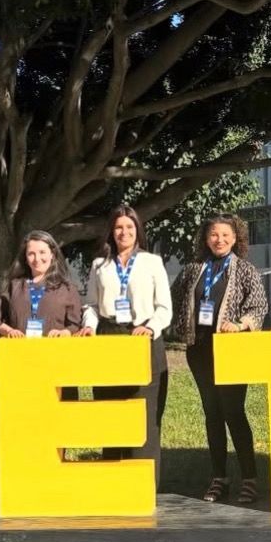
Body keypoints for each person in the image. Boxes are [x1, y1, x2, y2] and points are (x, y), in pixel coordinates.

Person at [171, 213, 267, 504]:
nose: (219, 240)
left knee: (233, 412)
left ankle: (249, 477)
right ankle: (219, 477)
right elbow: (174, 297)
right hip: (199, 349)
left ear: (236, 238)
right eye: (214, 234)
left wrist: (239, 324)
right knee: (211, 412)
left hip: (231, 350)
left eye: (226, 235)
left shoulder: (245, 270)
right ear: (205, 238)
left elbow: (259, 305)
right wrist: (180, 324)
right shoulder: (192, 269)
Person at [79, 204, 172, 484]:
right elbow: (92, 305)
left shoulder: (152, 262)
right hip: (109, 341)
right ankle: (112, 481)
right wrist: (88, 325)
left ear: (138, 230)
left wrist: (150, 328)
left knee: (144, 414)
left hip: (143, 339)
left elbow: (164, 308)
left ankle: (144, 484)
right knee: (110, 413)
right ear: (111, 230)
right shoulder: (99, 265)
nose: (124, 232)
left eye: (129, 227)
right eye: (119, 227)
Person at [0, 230, 83, 340]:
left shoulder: (67, 289)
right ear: (25, 258)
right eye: (31, 254)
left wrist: (65, 332)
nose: (37, 259)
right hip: (19, 353)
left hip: (55, 352)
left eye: (42, 252)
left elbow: (75, 325)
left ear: (52, 255)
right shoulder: (13, 286)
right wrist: (10, 331)